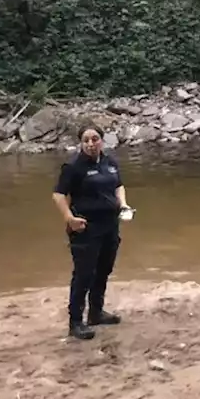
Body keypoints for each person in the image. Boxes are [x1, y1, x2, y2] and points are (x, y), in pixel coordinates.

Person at [52, 125, 133, 340]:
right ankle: (75, 322)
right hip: (85, 228)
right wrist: (69, 218)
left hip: (110, 225)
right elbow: (58, 195)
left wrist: (123, 204)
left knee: (103, 270)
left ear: (102, 140)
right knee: (83, 274)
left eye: (95, 139)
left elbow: (118, 186)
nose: (91, 144)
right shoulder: (73, 166)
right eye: (86, 140)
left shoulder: (110, 162)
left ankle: (96, 313)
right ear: (81, 142)